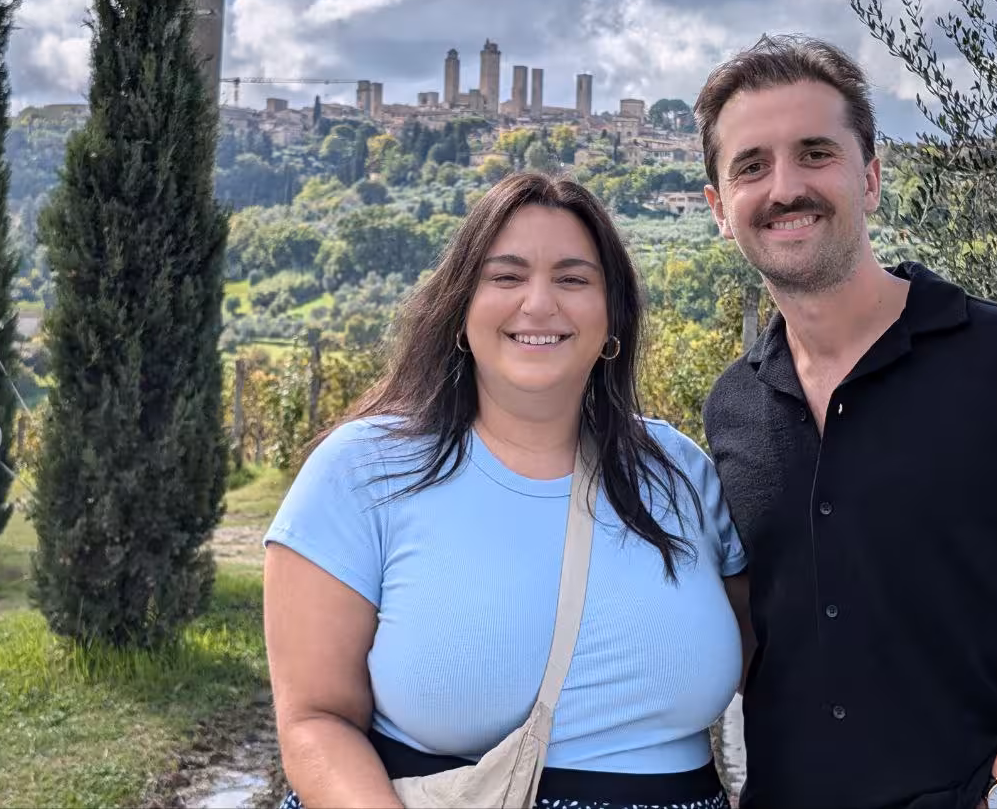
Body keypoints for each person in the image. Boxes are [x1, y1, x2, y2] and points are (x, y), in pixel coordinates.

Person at [696, 35, 997, 809]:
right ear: (719, 209)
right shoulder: (731, 406)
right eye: (751, 165)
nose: (785, 186)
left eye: (816, 153)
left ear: (870, 176)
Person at [262, 172, 751, 809]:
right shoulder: (362, 471)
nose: (539, 304)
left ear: (613, 320)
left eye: (573, 279)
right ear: (461, 311)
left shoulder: (682, 473)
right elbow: (315, 721)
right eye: (507, 276)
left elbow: (771, 668)